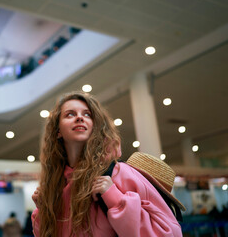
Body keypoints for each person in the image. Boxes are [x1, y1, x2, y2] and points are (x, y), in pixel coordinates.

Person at [31, 91, 183, 236]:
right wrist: (44, 211)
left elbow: (170, 233)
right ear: (57, 131)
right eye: (70, 114)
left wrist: (115, 199)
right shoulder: (57, 185)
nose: (79, 118)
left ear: (95, 127)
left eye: (87, 114)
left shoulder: (118, 173)